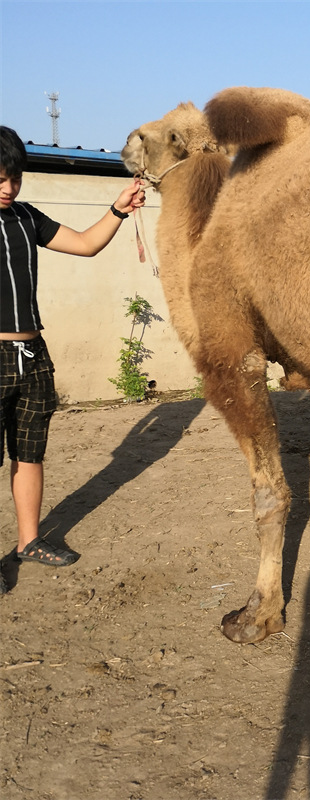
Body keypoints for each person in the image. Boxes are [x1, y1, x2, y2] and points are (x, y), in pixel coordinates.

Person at [0, 125, 145, 590]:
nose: (9, 187)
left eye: (15, 178)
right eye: (0, 178)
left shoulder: (25, 217)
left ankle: (29, 540)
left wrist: (117, 211)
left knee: (30, 453)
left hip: (32, 353)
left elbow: (84, 243)